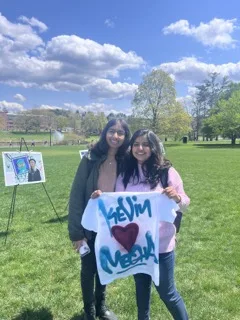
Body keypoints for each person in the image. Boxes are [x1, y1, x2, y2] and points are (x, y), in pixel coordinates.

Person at [115, 129, 190, 320]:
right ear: (131, 147)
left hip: (162, 246)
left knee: (168, 293)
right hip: (136, 245)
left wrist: (177, 196)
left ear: (153, 147)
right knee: (141, 292)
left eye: (146, 144)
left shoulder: (167, 172)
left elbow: (186, 203)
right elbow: (116, 204)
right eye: (136, 144)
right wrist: (100, 198)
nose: (140, 148)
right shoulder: (125, 174)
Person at [68, 119, 131, 320]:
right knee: (88, 269)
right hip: (89, 224)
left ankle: (101, 306)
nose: (116, 136)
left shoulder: (126, 161)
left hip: (112, 225)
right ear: (105, 133)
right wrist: (76, 234)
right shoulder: (90, 158)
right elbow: (76, 195)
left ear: (125, 137)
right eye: (112, 131)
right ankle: (89, 311)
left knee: (104, 265)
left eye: (120, 133)